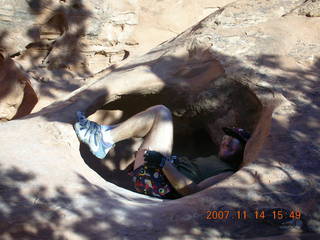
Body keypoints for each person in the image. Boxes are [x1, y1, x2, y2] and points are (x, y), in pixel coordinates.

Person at [74, 105, 251, 199]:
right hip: (157, 176)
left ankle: (103, 139)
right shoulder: (213, 159)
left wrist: (162, 163)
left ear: (244, 150)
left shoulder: (228, 173)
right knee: (153, 119)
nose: (228, 140)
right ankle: (104, 133)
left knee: (162, 113)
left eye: (236, 141)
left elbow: (193, 191)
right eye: (227, 137)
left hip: (160, 183)